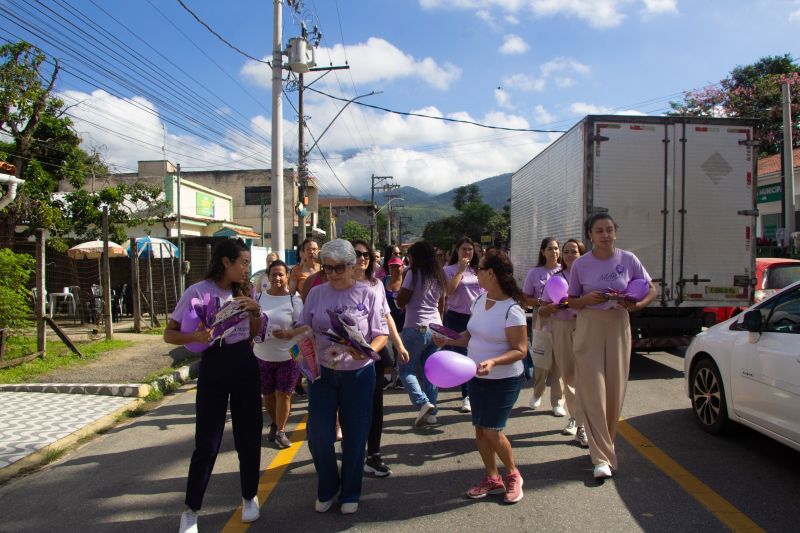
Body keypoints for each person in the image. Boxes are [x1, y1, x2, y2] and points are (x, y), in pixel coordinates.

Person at [164, 238, 263, 533]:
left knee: (249, 435)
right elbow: (169, 334)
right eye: (243, 263)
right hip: (214, 364)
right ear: (226, 262)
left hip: (244, 363)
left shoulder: (247, 291)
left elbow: (255, 335)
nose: (247, 269)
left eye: (247, 263)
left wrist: (256, 311)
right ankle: (191, 510)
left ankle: (249, 496)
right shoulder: (197, 291)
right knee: (207, 441)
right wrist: (196, 337)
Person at [295, 239, 389, 514]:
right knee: (319, 437)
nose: (333, 274)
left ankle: (350, 492)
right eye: (328, 269)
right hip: (322, 375)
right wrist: (294, 336)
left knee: (355, 437)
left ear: (352, 266)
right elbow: (305, 326)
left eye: (339, 268)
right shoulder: (316, 294)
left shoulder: (368, 293)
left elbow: (380, 333)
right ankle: (328, 485)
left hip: (359, 375)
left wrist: (370, 350)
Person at [434, 250, 527, 504]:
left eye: (480, 269)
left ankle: (513, 475)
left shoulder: (512, 310)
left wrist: (494, 361)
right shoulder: (479, 300)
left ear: (491, 274)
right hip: (476, 375)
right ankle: (492, 477)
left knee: (492, 430)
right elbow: (470, 335)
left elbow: (521, 350)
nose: (476, 273)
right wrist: (449, 338)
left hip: (504, 379)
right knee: (479, 430)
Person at [568, 214, 657, 479]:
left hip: (619, 324)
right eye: (599, 231)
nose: (605, 235)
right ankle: (601, 457)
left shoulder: (628, 259)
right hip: (589, 326)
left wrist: (638, 305)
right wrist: (587, 299)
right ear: (590, 235)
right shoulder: (580, 265)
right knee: (593, 390)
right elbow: (571, 301)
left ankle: (606, 446)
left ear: (615, 233)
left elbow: (651, 288)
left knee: (614, 391)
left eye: (609, 230)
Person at [350, 240, 409, 478]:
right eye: (356, 254)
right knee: (351, 408)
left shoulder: (376, 285)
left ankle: (373, 455)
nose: (362, 258)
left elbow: (387, 317)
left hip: (372, 352)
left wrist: (399, 345)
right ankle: (353, 453)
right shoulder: (339, 284)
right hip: (345, 357)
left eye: (366, 255)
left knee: (375, 406)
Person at [536, 239, 588, 446]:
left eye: (573, 251)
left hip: (587, 327)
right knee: (569, 375)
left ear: (582, 254)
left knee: (588, 376)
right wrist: (554, 308)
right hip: (562, 328)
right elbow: (542, 309)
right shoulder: (555, 279)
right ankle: (576, 420)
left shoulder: (589, 278)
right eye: (565, 251)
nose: (568, 255)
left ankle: (586, 423)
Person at [253, 259, 304, 449]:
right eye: (274, 274)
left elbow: (304, 328)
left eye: (281, 274)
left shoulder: (294, 299)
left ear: (287, 277)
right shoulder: (258, 298)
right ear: (268, 276)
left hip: (287, 357)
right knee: (268, 396)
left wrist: (291, 336)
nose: (277, 278)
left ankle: (281, 431)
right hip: (262, 356)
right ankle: (274, 424)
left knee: (284, 394)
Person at [396, 241, 446, 427]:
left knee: (405, 369)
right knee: (431, 372)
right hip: (435, 327)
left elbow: (402, 301)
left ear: (415, 257)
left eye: (409, 255)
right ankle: (432, 413)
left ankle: (422, 402)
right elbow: (442, 306)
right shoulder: (439, 275)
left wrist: (397, 295)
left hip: (415, 326)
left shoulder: (412, 274)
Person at [522, 237, 566, 416]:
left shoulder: (566, 271)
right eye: (550, 248)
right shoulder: (535, 273)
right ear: (543, 251)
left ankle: (557, 401)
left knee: (560, 362)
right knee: (541, 359)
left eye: (556, 248)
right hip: (542, 318)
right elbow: (525, 297)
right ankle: (537, 393)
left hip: (563, 320)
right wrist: (541, 301)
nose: (554, 252)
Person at [443, 237, 485, 413]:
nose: (467, 252)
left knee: (476, 355)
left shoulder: (477, 270)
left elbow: (485, 291)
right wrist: (460, 271)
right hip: (455, 317)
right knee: (462, 356)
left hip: (476, 317)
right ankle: (466, 395)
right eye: (463, 249)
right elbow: (448, 291)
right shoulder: (448, 270)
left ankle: (476, 391)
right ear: (457, 251)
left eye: (470, 249)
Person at [384, 253, 406, 389]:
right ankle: (386, 378)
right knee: (387, 351)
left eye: (397, 266)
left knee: (400, 349)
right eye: (392, 266)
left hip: (403, 321)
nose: (395, 269)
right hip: (386, 321)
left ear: (402, 267)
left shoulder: (407, 282)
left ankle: (399, 377)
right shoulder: (383, 281)